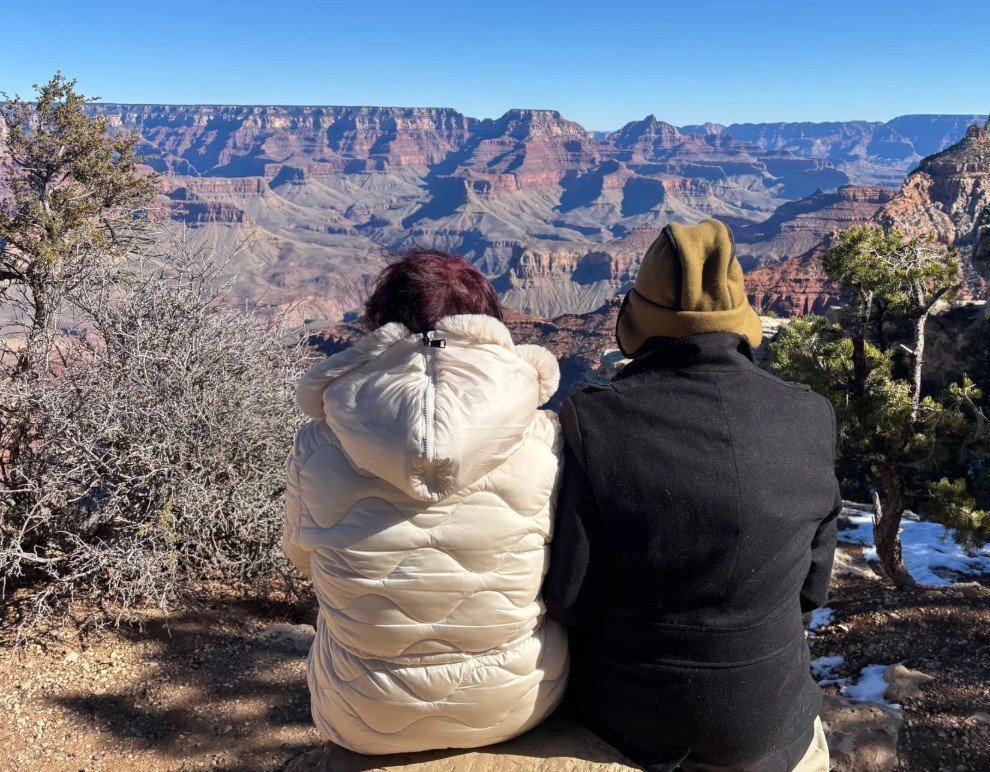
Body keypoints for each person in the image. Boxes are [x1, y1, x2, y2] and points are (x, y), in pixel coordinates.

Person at [545, 219, 841, 772]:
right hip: (773, 720)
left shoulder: (595, 421)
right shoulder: (810, 414)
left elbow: (570, 597)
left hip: (631, 717)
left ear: (639, 320)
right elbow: (812, 590)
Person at [283, 249, 567, 754]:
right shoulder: (545, 438)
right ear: (487, 324)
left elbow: (304, 558)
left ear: (381, 327)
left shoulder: (315, 446)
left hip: (360, 717)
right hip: (519, 706)